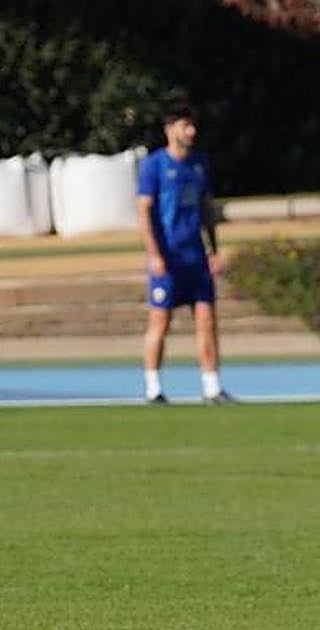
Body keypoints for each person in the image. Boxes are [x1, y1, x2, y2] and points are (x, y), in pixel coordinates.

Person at [137, 99, 232, 404]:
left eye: (193, 125)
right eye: (184, 125)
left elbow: (206, 210)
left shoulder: (198, 164)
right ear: (170, 129)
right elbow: (144, 211)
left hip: (195, 259)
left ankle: (212, 386)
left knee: (206, 320)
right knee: (160, 322)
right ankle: (153, 387)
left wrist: (213, 250)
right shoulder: (155, 165)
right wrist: (155, 254)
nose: (191, 131)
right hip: (169, 258)